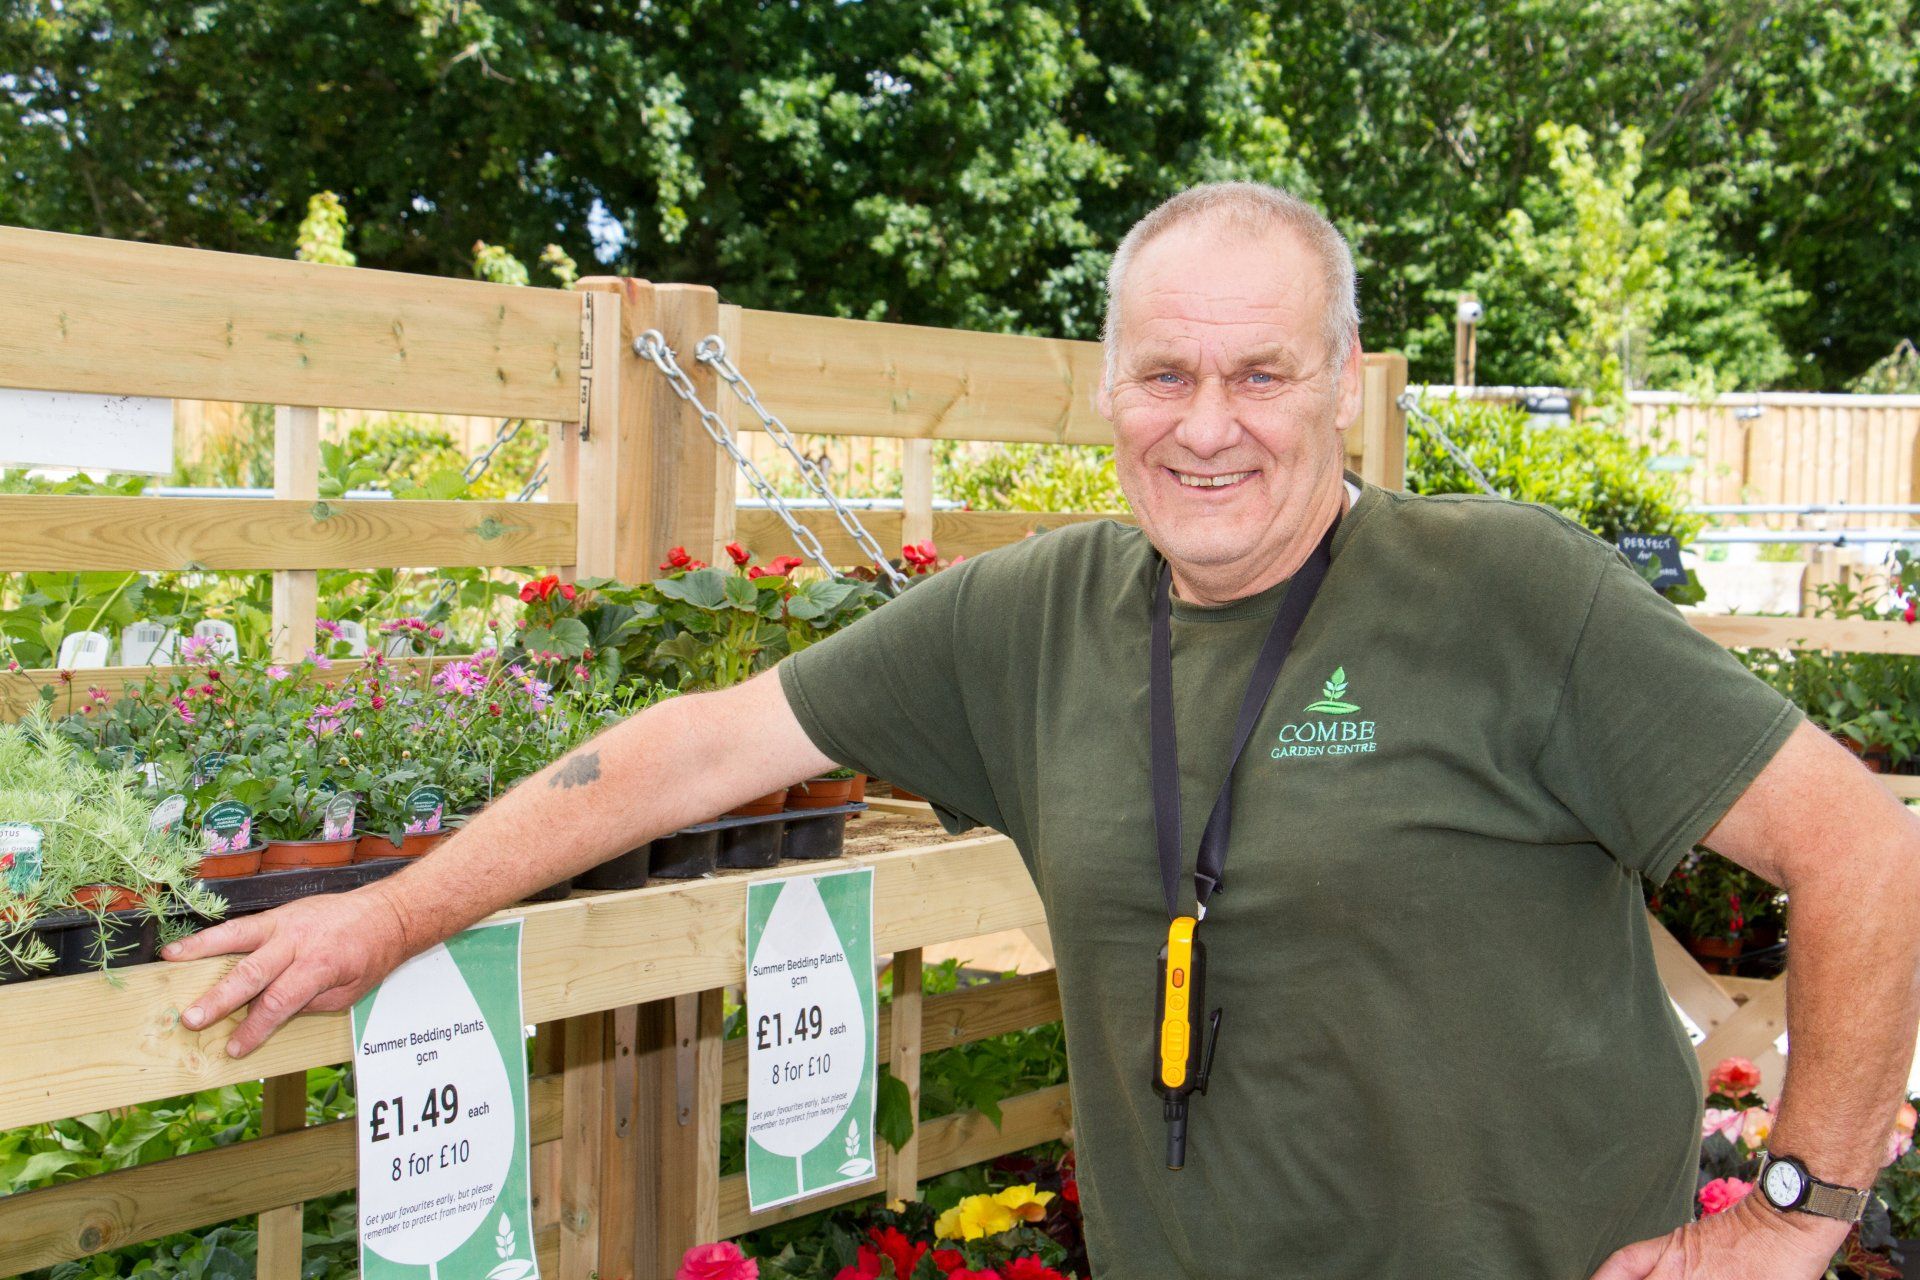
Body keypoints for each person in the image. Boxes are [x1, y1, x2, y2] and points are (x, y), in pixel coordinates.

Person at [165, 182, 1920, 1280]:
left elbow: (1868, 850)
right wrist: (389, 915)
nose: (1209, 426)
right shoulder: (1035, 619)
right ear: (1105, 390)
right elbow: (691, 749)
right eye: (1166, 374)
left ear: (1341, 383)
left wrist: (1790, 1215)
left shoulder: (1502, 593)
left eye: (1262, 374)